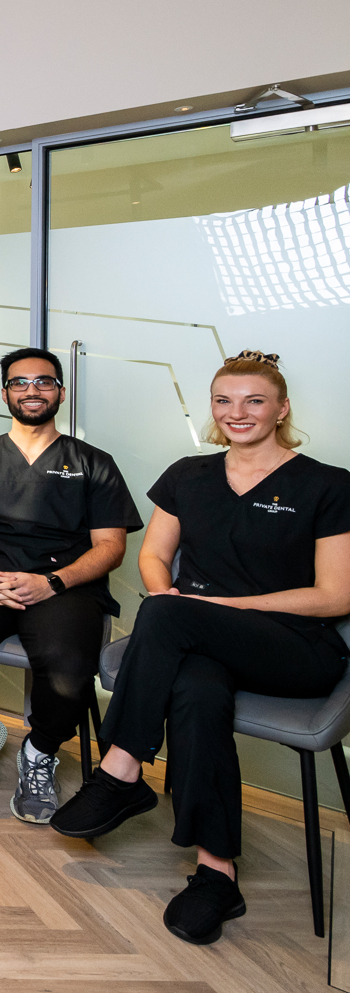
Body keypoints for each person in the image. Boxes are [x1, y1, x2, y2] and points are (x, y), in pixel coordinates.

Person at [51, 351, 350, 945]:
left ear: (281, 408)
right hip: (199, 643)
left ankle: (121, 768)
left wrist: (215, 611)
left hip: (295, 649)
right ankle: (217, 875)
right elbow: (154, 558)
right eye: (223, 400)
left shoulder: (328, 485)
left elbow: (335, 596)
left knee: (166, 615)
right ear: (212, 408)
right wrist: (178, 606)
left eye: (254, 400)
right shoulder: (188, 474)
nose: (237, 413)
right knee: (195, 692)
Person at [0, 347, 141, 824]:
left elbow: (110, 547)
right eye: (20, 383)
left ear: (60, 392)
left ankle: (40, 752)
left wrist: (52, 582)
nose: (32, 390)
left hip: (63, 584)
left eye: (43, 382)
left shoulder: (93, 462)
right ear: (5, 393)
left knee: (69, 668)